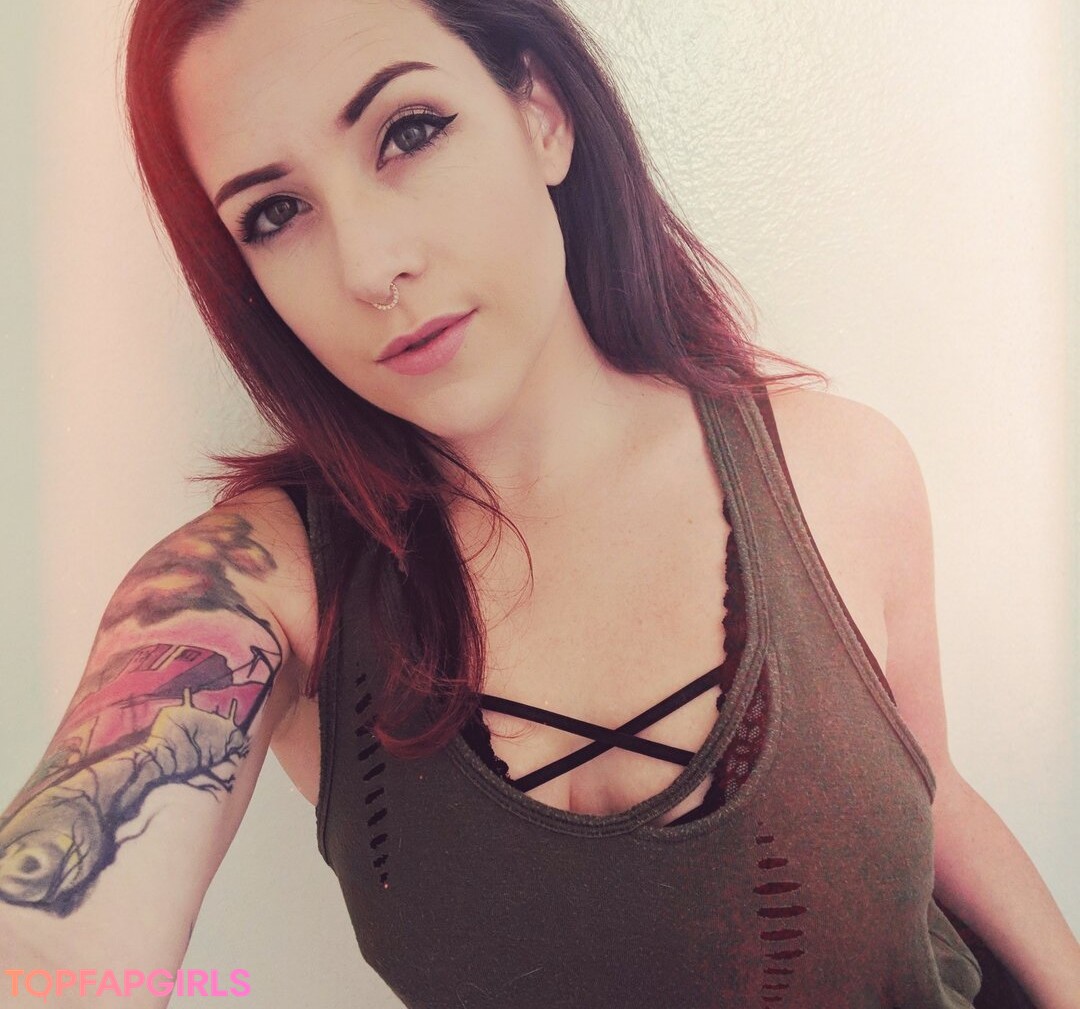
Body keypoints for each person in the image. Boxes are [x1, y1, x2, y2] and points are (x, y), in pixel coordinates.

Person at [0, 0, 1076, 1006]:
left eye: (408, 132)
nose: (370, 266)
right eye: (275, 212)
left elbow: (934, 795)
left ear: (542, 116)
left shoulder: (840, 469)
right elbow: (50, 945)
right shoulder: (268, 586)